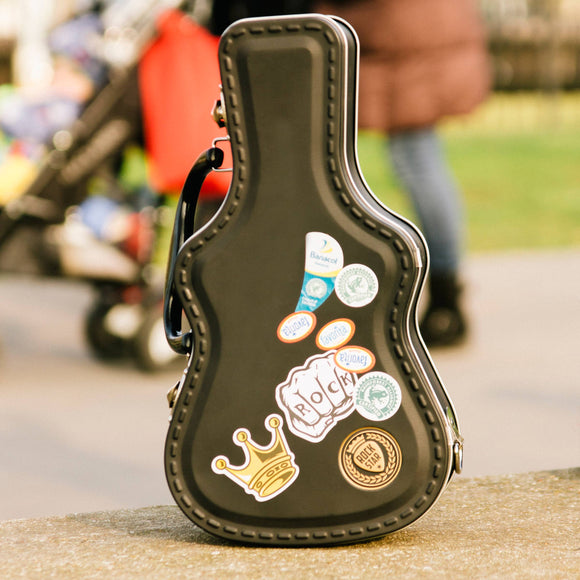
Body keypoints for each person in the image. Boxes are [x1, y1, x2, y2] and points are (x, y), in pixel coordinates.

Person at [315, 0, 491, 346]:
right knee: (418, 159)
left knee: (416, 161)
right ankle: (445, 295)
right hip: (418, 32)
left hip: (405, 37)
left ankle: (445, 301)